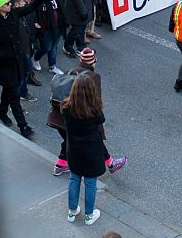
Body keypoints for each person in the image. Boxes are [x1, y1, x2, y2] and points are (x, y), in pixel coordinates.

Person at [46, 47, 126, 178]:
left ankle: (59, 166)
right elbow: (95, 102)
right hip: (78, 119)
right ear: (93, 61)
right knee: (94, 139)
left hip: (59, 117)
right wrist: (99, 122)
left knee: (68, 140)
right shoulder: (93, 77)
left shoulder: (69, 72)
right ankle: (111, 164)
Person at [0, 0, 38, 138]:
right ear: (0, 7)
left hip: (18, 61)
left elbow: (28, 8)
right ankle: (23, 126)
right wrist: (3, 54)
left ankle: (2, 111)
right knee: (14, 94)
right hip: (6, 65)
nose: (10, 5)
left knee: (10, 89)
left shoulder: (12, 14)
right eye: (7, 3)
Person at [62, 73, 106, 226]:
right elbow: (101, 120)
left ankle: (72, 211)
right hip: (91, 152)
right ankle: (89, 215)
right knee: (90, 182)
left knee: (74, 179)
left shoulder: (66, 107)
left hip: (74, 150)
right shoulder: (94, 111)